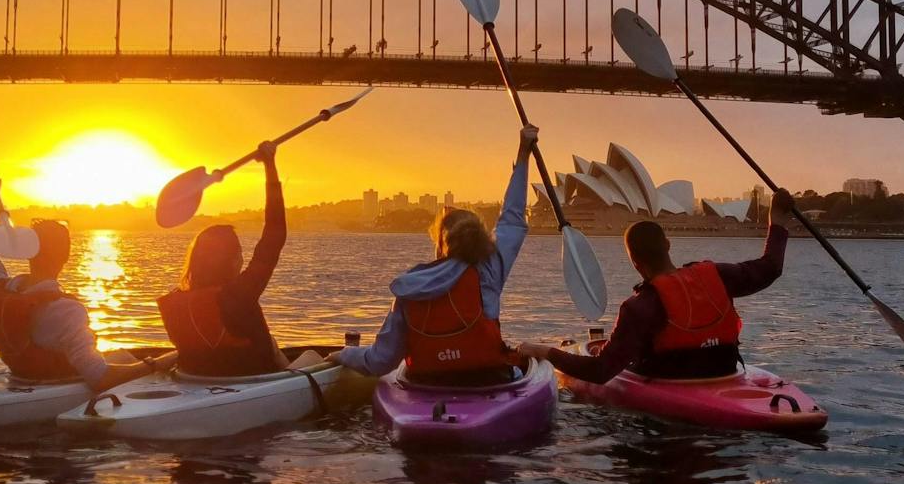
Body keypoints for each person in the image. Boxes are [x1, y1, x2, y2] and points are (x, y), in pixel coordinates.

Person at [333, 124, 539, 384]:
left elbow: (380, 361)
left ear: (440, 245)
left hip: (428, 386)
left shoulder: (409, 286)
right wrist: (523, 154)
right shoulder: (489, 269)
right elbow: (512, 218)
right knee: (529, 364)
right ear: (481, 241)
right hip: (488, 379)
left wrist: (345, 355)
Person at [519, 188, 795, 382]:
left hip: (674, 381)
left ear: (635, 262)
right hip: (723, 371)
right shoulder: (718, 275)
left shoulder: (640, 307)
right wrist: (778, 221)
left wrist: (547, 353)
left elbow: (600, 371)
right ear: (668, 245)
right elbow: (771, 268)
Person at [0, 175, 173, 387]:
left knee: (122, 356)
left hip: (20, 375)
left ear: (28, 252)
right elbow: (100, 378)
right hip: (53, 385)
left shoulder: (5, 289)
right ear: (66, 255)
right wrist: (157, 364)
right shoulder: (67, 311)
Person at [157, 141, 324, 376]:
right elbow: (274, 236)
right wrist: (270, 165)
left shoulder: (175, 303)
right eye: (240, 253)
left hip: (196, 380)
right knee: (313, 357)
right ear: (234, 259)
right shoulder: (239, 294)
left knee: (272, 343)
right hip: (256, 382)